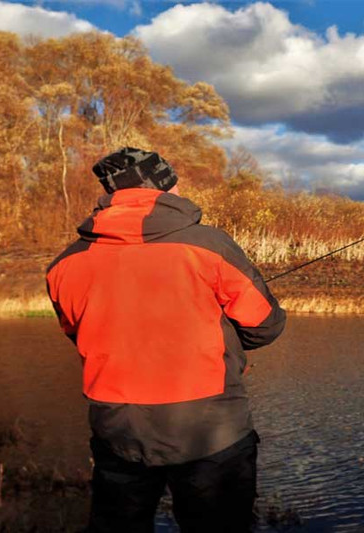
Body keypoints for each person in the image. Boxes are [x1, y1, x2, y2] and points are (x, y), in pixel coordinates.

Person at [45, 147, 286, 532]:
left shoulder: (64, 264)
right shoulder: (210, 245)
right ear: (165, 186)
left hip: (118, 430)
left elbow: (77, 333)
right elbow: (265, 325)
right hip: (211, 429)